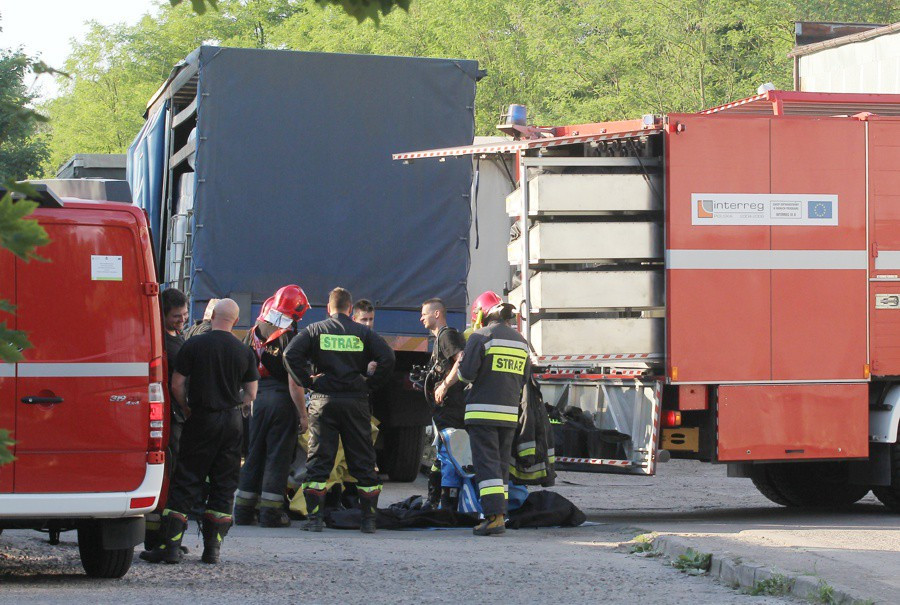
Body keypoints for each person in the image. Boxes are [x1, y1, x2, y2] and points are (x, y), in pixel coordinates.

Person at [141, 298, 259, 564]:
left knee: (186, 480)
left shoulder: (193, 344)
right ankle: (212, 551)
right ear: (236, 321)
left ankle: (171, 548)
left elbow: (177, 384)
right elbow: (251, 392)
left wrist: (185, 408)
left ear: (213, 315)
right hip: (231, 423)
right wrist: (236, 404)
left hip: (201, 418)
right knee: (224, 484)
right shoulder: (244, 351)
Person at [283, 287, 395, 533]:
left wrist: (309, 381)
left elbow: (290, 354)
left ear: (328, 308)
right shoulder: (363, 332)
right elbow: (388, 358)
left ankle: (315, 520)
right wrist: (370, 385)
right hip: (356, 401)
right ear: (349, 308)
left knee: (320, 460)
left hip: (324, 401)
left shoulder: (315, 330)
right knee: (363, 461)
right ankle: (368, 521)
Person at [234, 286, 311, 528]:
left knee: (254, 454)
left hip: (256, 398)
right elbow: (294, 381)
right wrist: (303, 414)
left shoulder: (254, 331)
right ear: (296, 310)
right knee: (277, 456)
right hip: (281, 399)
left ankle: (244, 512)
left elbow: (244, 369)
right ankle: (270, 514)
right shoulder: (290, 337)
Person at [455, 291, 530, 536]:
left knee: (486, 467)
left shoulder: (480, 337)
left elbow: (466, 375)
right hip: (509, 415)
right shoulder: (521, 341)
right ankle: (500, 514)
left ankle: (493, 517)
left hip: (482, 413)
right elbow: (526, 377)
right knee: (500, 468)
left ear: (481, 314)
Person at [145, 287, 189, 551]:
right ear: (161, 316)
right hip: (169, 418)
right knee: (167, 476)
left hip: (178, 418)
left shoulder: (177, 337)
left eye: (184, 315)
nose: (182, 320)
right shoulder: (160, 341)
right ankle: (156, 539)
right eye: (176, 316)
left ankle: (167, 536)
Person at [422, 297, 467, 510]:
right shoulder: (439, 339)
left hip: (452, 406)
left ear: (437, 314)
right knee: (441, 454)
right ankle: (435, 500)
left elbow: (462, 358)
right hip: (444, 408)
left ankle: (449, 505)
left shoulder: (447, 335)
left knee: (449, 453)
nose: (421, 317)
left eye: (425, 313)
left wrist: (445, 385)